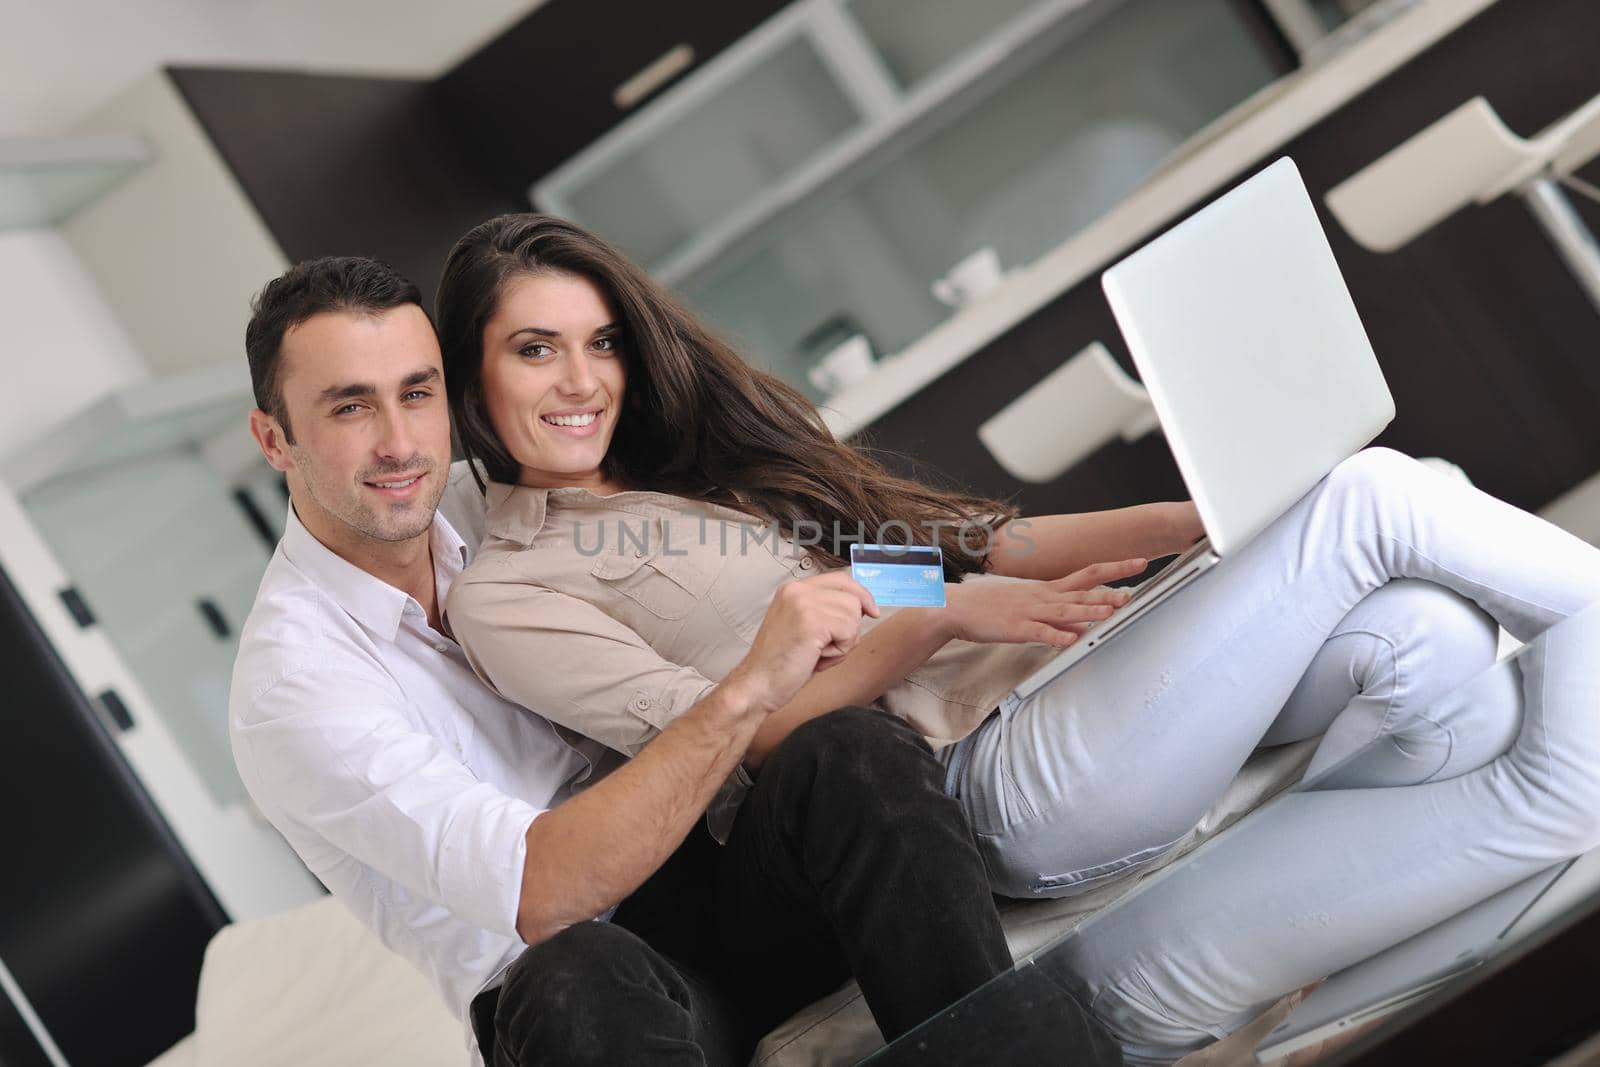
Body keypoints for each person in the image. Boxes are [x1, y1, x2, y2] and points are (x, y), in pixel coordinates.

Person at [435, 212, 1600, 1063]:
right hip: (961, 775)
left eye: (600, 343)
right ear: (473, 386)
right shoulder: (514, 583)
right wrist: (937, 614)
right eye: (535, 350)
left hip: (1047, 682)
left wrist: (1211, 514)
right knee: (1378, 497)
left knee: (1423, 629)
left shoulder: (704, 489)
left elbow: (971, 549)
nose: (581, 378)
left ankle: (1338, 1007)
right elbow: (744, 740)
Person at [227, 256, 1121, 1067]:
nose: (398, 441)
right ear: (274, 440)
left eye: (416, 393)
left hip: (725, 878)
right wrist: (751, 690)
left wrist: (959, 580)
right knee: (576, 970)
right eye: (350, 406)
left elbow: (803, 554)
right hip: (573, 982)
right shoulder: (294, 686)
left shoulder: (487, 491)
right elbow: (545, 891)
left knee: (848, 749)